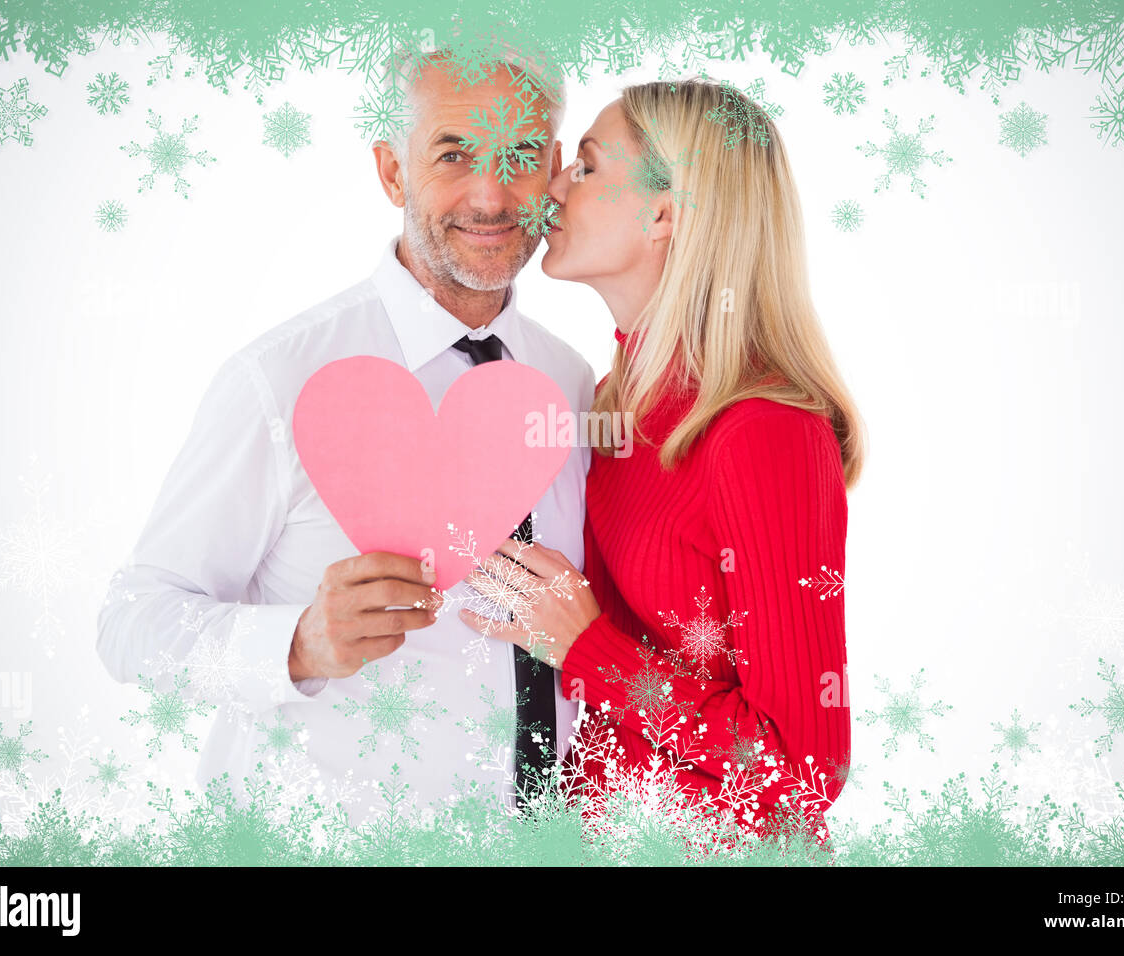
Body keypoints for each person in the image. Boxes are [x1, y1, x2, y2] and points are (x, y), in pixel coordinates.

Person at [96, 48, 595, 822]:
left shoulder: (571, 381)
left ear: (556, 169)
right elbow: (132, 620)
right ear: (393, 172)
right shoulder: (280, 378)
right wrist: (295, 643)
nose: (492, 195)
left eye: (522, 155)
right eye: (454, 153)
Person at [459, 78, 866, 846]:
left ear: (666, 212)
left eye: (583, 167)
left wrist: (587, 650)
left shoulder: (764, 430)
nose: (551, 188)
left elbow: (805, 768)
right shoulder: (613, 402)